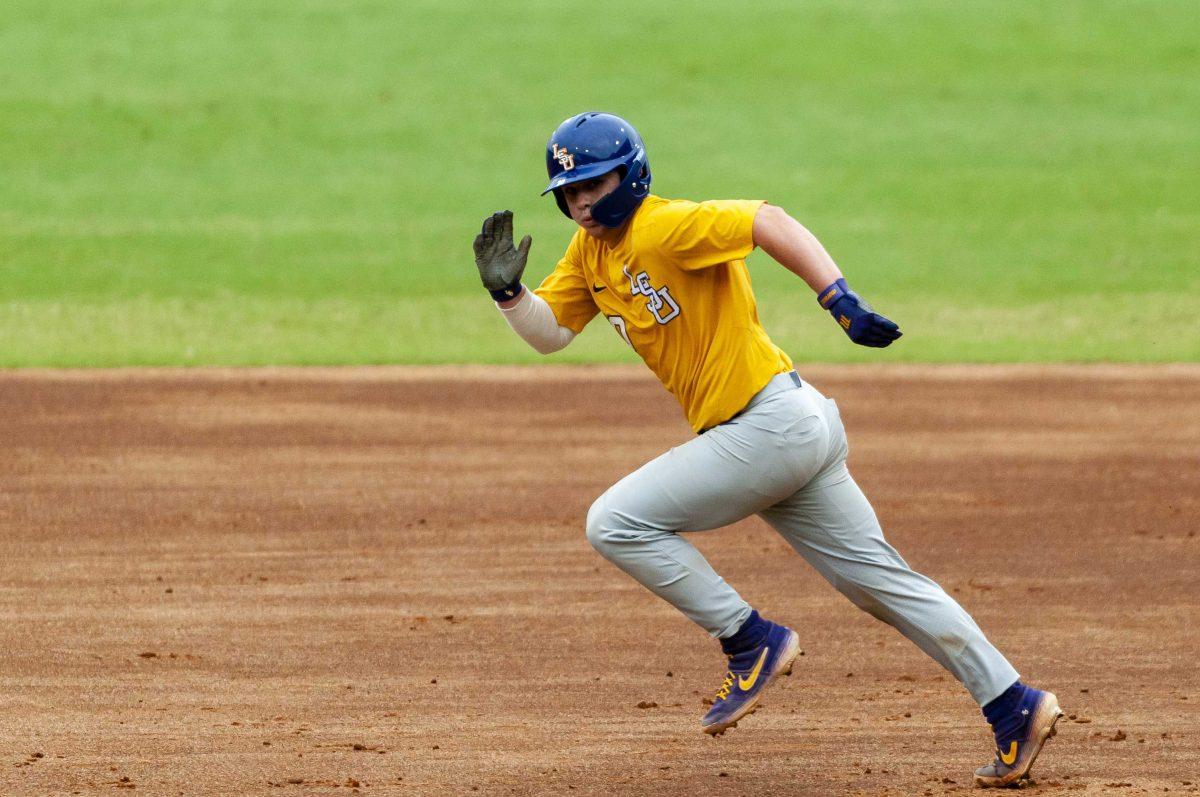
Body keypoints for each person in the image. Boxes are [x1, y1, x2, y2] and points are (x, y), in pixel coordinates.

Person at [472, 111, 1061, 787]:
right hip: (781, 431)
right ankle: (1015, 702)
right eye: (568, 193)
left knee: (616, 521)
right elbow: (551, 334)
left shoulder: (666, 225)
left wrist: (835, 296)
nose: (580, 202)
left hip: (770, 424)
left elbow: (766, 220)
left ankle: (750, 638)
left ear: (630, 175)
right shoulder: (590, 254)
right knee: (881, 583)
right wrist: (508, 293)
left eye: (593, 186)